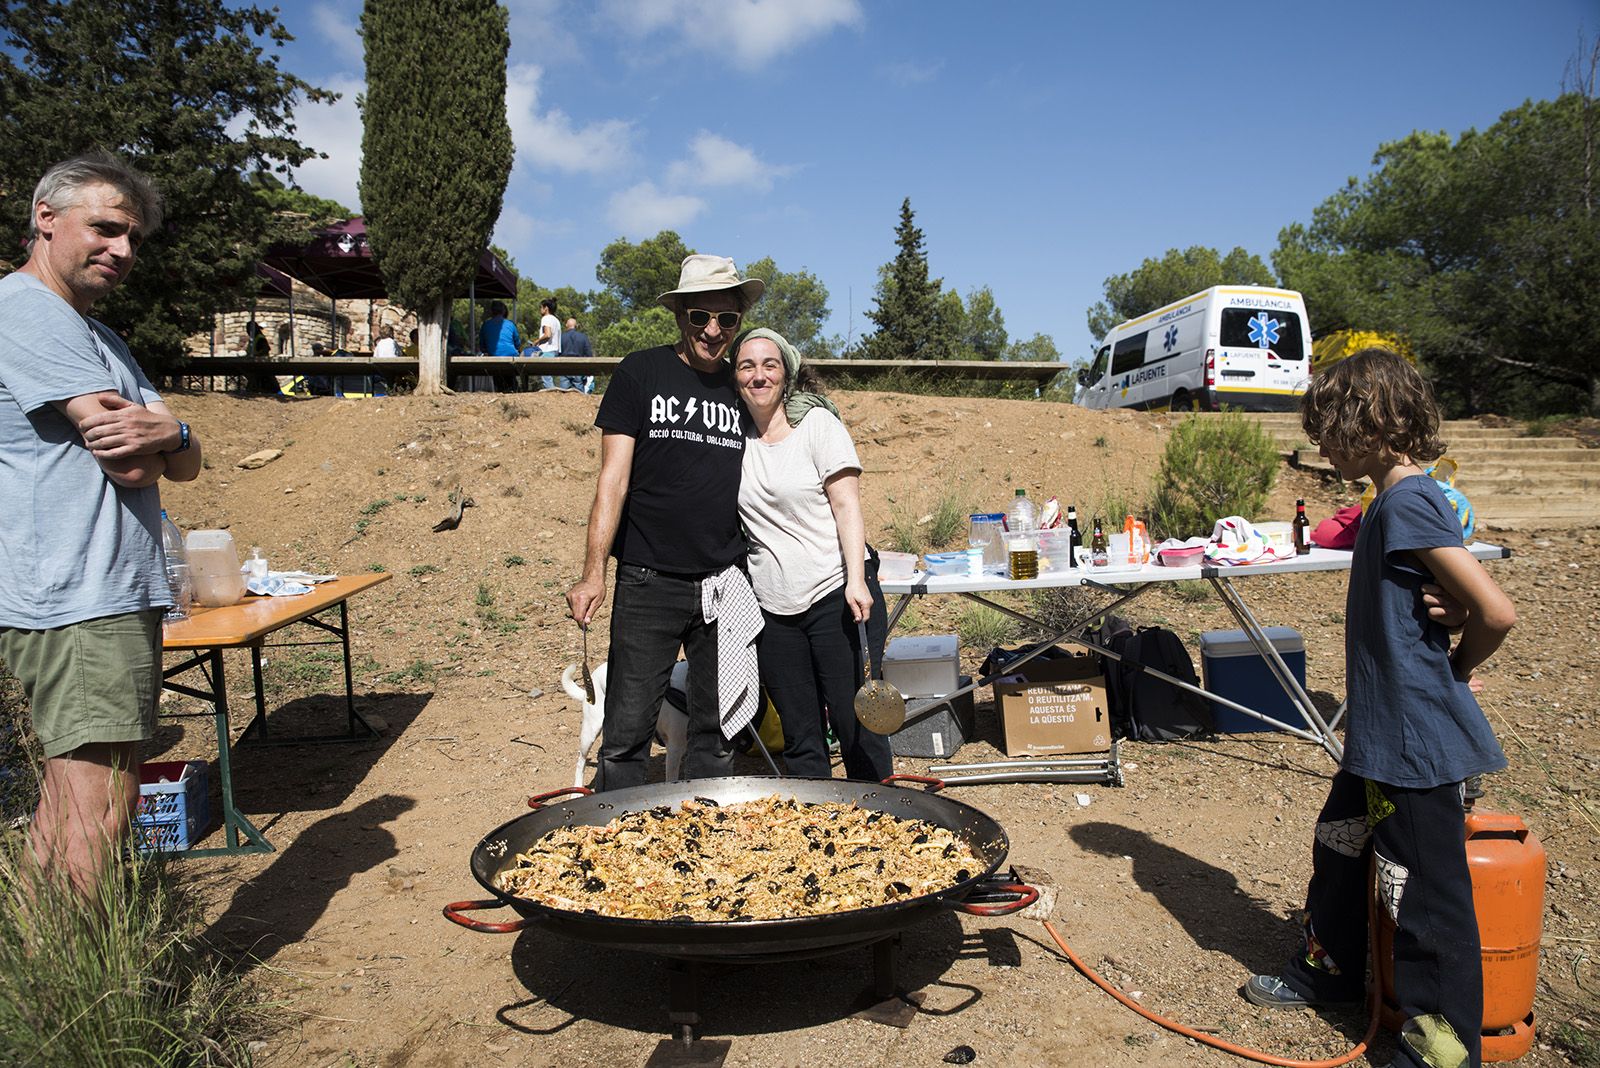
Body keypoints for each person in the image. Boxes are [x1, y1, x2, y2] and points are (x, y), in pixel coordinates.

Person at [1245, 349, 1516, 1068]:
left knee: (1425, 899)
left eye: (1327, 428)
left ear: (1368, 421)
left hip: (1415, 742)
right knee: (1339, 846)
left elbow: (1494, 609)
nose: (1322, 445)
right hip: (1378, 734)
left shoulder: (1410, 500)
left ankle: (1441, 1048)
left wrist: (1454, 670)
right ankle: (1329, 972)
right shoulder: (1388, 502)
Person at [0, 152, 203, 894]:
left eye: (133, 238)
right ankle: (69, 1003)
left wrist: (173, 434)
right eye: (107, 229)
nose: (122, 250)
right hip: (81, 594)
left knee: (70, 804)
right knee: (98, 810)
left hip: (105, 594)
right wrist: (167, 437)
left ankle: (33, 971)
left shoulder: (99, 336)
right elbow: (133, 464)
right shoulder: (25, 310)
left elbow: (180, 456)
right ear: (44, 219)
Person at [565, 255, 765, 791]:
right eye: (701, 316)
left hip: (724, 583)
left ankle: (702, 840)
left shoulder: (743, 389)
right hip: (648, 578)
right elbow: (613, 479)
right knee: (627, 730)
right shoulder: (641, 372)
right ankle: (616, 846)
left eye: (726, 319)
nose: (714, 331)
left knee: (715, 731)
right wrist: (593, 572)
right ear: (680, 315)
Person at [730, 328, 893, 781]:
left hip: (834, 594)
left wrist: (857, 579)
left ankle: (882, 825)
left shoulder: (817, 426)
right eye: (747, 366)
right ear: (735, 377)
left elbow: (847, 504)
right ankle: (817, 833)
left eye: (769, 365)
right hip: (773, 609)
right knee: (801, 734)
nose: (758, 375)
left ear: (786, 374)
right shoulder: (733, 439)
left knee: (855, 721)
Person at [557, 315, 593, 393]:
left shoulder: (561, 337)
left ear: (566, 325)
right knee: (579, 390)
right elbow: (588, 353)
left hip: (564, 364)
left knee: (564, 391)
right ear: (576, 326)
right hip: (578, 365)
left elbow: (557, 352)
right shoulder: (583, 337)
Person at [534, 298, 562, 390]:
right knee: (548, 375)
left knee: (546, 375)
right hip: (555, 350)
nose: (540, 310)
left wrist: (537, 341)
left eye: (541, 307)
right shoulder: (556, 320)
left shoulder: (545, 318)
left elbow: (548, 334)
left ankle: (551, 391)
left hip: (547, 350)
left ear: (546, 308)